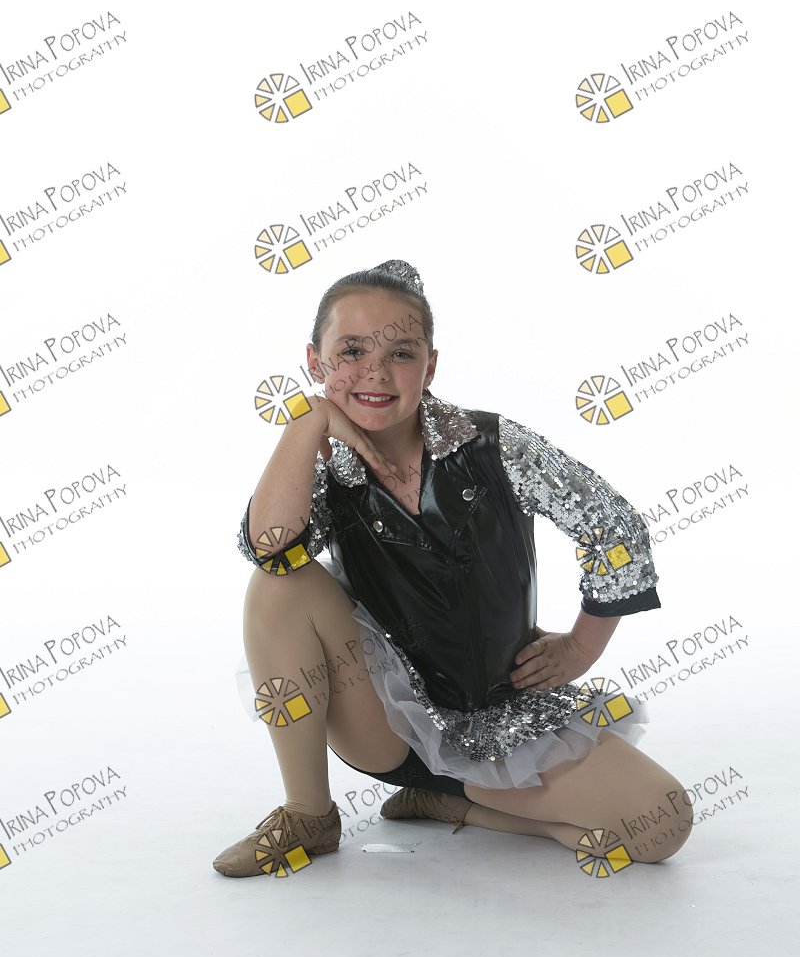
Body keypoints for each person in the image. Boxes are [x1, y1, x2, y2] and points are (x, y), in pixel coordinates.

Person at [213, 258, 693, 878]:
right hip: (384, 721)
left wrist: (581, 647)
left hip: (502, 721)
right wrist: (305, 424)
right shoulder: (327, 472)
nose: (375, 372)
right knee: (279, 585)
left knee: (661, 827)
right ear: (315, 361)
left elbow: (613, 526)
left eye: (401, 353)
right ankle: (309, 814)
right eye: (352, 351)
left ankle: (449, 801)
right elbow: (272, 549)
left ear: (431, 365)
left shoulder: (492, 445)